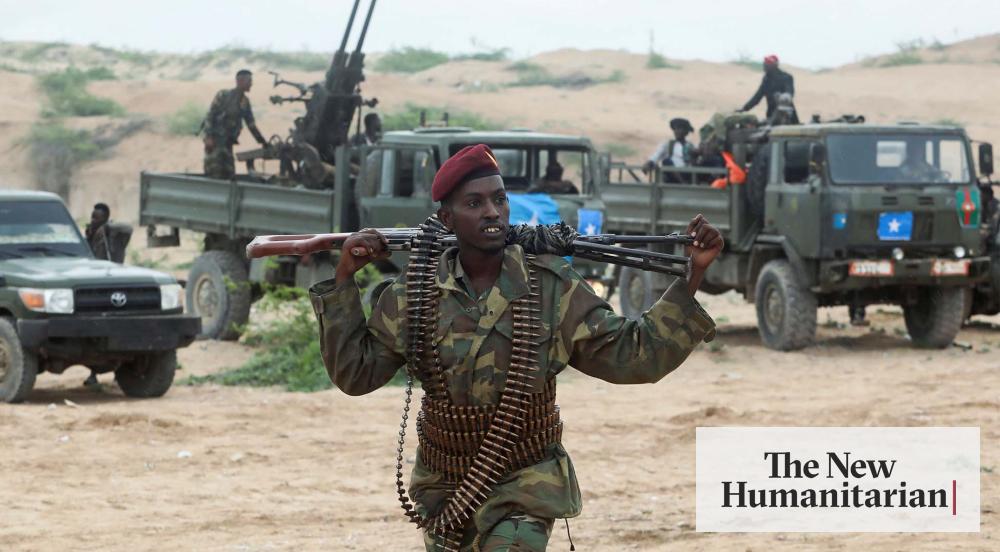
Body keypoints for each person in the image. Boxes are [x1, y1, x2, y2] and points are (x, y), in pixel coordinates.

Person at [309, 143, 722, 551]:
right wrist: (344, 279)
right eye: (474, 202)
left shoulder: (550, 286)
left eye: (499, 199)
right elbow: (357, 375)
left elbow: (635, 357)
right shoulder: (415, 293)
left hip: (526, 481)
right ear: (447, 219)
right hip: (444, 488)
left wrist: (693, 275)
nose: (492, 212)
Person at [202, 69, 269, 179]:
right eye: (249, 81)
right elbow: (210, 115)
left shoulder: (245, 102)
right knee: (214, 173)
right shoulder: (223, 95)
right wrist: (208, 136)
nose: (251, 84)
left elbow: (251, 125)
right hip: (215, 143)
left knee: (229, 175)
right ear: (240, 81)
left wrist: (263, 142)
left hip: (228, 144)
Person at [739, 55, 795, 119]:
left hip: (787, 115)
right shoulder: (766, 80)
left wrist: (783, 97)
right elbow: (757, 97)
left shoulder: (786, 77)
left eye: (768, 63)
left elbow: (789, 93)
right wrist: (745, 108)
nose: (765, 65)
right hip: (771, 115)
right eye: (765, 63)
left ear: (775, 65)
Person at [644, 118, 697, 182]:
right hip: (672, 175)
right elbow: (656, 155)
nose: (677, 131)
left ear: (686, 132)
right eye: (675, 129)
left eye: (680, 129)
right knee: (666, 161)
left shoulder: (691, 145)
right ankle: (682, 183)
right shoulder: (668, 144)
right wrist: (650, 162)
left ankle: (684, 182)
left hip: (687, 173)